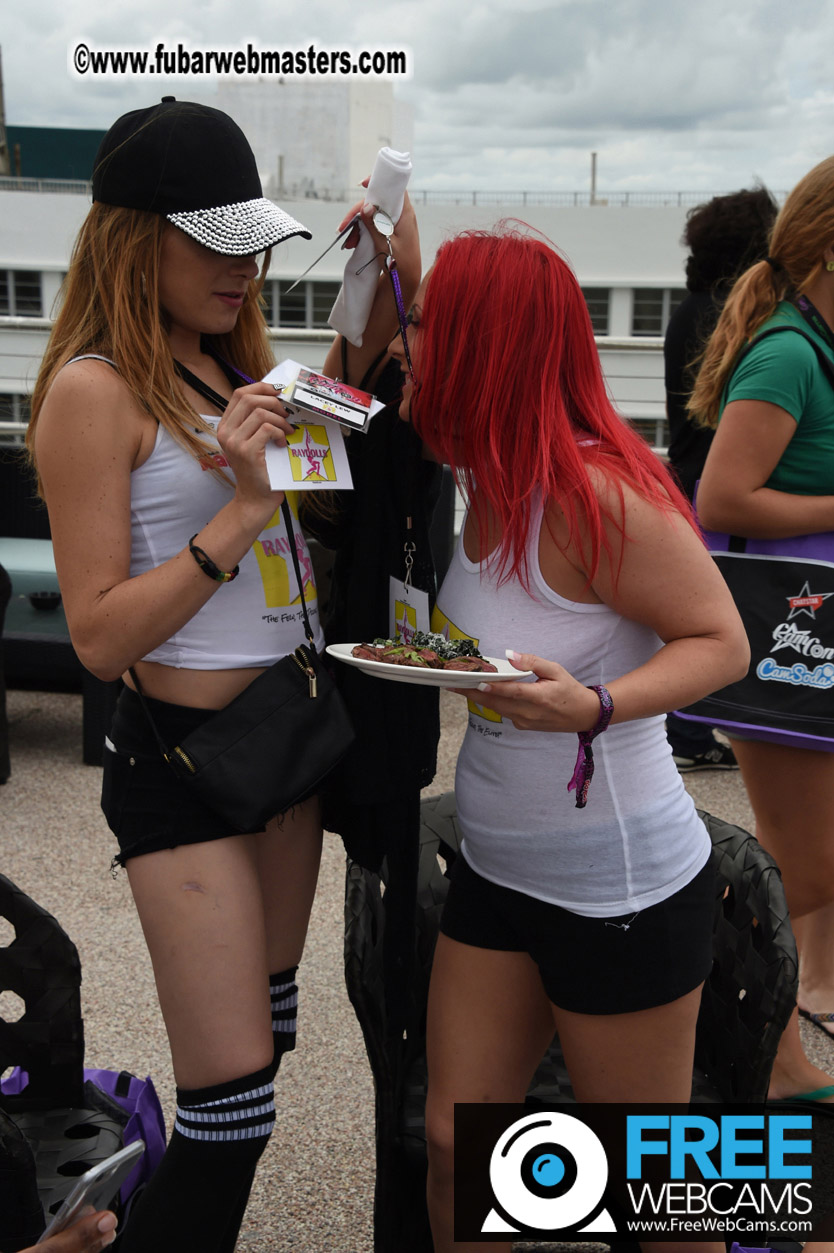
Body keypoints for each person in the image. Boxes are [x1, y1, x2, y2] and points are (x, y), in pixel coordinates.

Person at [24, 98, 414, 1252]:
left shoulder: (228, 368)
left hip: (285, 754)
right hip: (185, 771)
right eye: (215, 242)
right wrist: (241, 513)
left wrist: (385, 257)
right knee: (232, 1105)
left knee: (267, 1043)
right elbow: (98, 639)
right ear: (132, 239)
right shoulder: (94, 389)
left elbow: (351, 396)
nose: (244, 268)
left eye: (255, 244)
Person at [388, 226, 749, 1253]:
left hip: (618, 888)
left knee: (658, 1189)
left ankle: (789, 1207)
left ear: (485, 345)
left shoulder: (596, 493)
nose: (405, 344)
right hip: (498, 868)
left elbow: (723, 641)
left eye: (425, 324)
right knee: (458, 1147)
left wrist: (597, 704)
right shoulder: (481, 482)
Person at [693, 154, 834, 1103]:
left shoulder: (814, 344)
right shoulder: (788, 352)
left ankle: (772, 1057)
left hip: (810, 643)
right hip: (785, 642)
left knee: (799, 860)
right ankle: (663, 971)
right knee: (806, 863)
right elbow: (722, 498)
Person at [664, 187, 778, 773]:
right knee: (720, 611)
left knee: (695, 608)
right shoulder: (737, 316)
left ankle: (687, 730)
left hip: (684, 476)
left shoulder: (687, 307)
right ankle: (688, 730)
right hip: (717, 486)